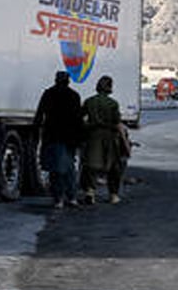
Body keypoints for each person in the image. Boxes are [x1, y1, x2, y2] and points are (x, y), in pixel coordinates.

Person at [33, 70, 84, 209]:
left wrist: (36, 133)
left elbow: (39, 115)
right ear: (68, 81)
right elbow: (78, 119)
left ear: (56, 80)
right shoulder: (74, 96)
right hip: (70, 138)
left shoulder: (48, 94)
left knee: (55, 169)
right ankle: (72, 197)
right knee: (69, 168)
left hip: (52, 136)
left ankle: (58, 199)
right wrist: (80, 138)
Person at [79, 75, 124, 205]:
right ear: (109, 88)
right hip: (109, 137)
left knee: (91, 165)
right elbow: (116, 121)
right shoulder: (113, 104)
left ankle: (90, 192)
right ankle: (113, 195)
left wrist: (88, 127)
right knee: (113, 167)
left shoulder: (89, 101)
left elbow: (80, 116)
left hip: (93, 136)